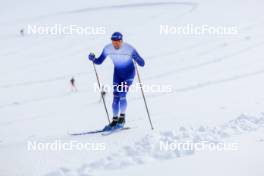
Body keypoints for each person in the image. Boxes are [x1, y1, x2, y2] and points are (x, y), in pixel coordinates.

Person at [88, 32, 145, 130]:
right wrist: (93, 59)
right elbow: (99, 61)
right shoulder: (107, 48)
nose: (115, 44)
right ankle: (114, 121)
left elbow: (142, 63)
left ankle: (122, 119)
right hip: (117, 75)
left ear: (121, 41)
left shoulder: (129, 49)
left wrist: (136, 58)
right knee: (115, 98)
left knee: (122, 93)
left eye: (117, 42)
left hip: (129, 74)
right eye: (113, 42)